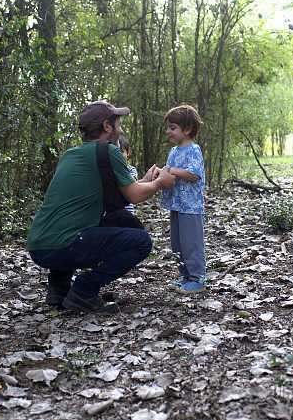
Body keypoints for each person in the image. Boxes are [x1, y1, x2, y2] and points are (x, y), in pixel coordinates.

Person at [27, 101, 176, 314]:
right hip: (63, 246)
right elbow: (133, 196)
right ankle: (84, 290)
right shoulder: (109, 151)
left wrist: (144, 180)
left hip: (38, 245)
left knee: (70, 225)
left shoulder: (69, 155)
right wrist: (160, 183)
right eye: (119, 124)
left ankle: (59, 290)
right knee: (141, 242)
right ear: (107, 127)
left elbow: (121, 192)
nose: (121, 129)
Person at [159, 104, 206, 294]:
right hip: (176, 204)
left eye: (173, 128)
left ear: (187, 130)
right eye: (168, 128)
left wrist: (170, 171)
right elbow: (168, 174)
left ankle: (198, 279)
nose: (169, 132)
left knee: (191, 242)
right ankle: (185, 276)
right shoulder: (173, 152)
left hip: (191, 206)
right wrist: (160, 174)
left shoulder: (194, 150)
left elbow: (194, 174)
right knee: (177, 242)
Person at [117, 136, 138, 214]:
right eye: (116, 152)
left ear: (128, 152)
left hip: (127, 212)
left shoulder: (131, 170)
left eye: (121, 152)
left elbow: (132, 183)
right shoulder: (108, 170)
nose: (118, 156)